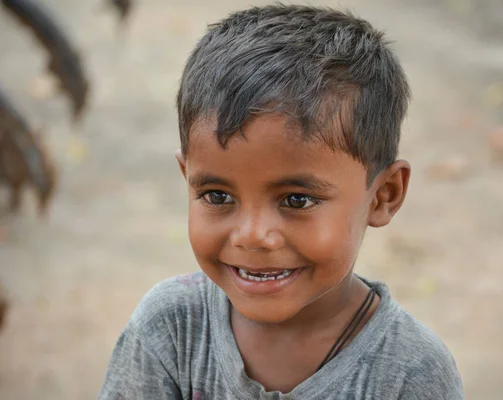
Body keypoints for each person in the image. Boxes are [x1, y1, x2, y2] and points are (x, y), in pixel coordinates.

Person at [98, 4, 464, 399]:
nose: (252, 236)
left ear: (383, 196)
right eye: (217, 196)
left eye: (296, 200)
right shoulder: (171, 328)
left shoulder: (410, 372)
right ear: (186, 178)